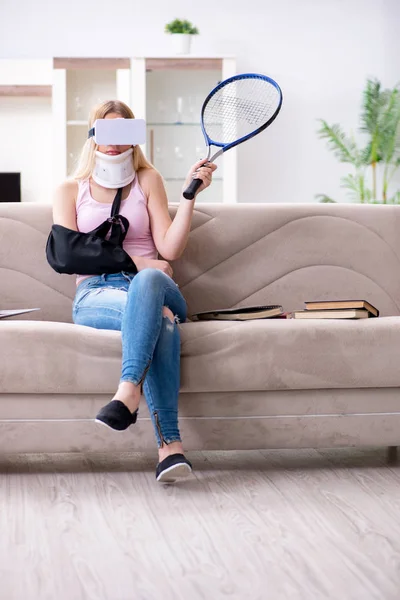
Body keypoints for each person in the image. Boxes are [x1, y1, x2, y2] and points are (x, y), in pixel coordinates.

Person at [53, 99, 216, 482]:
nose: (113, 145)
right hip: (96, 294)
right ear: (92, 135)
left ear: (134, 139)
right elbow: (66, 256)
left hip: (156, 286)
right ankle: (170, 450)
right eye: (104, 134)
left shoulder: (148, 180)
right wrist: (139, 262)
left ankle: (127, 393)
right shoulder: (68, 189)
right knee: (158, 316)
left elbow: (170, 250)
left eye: (122, 135)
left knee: (150, 283)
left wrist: (190, 197)